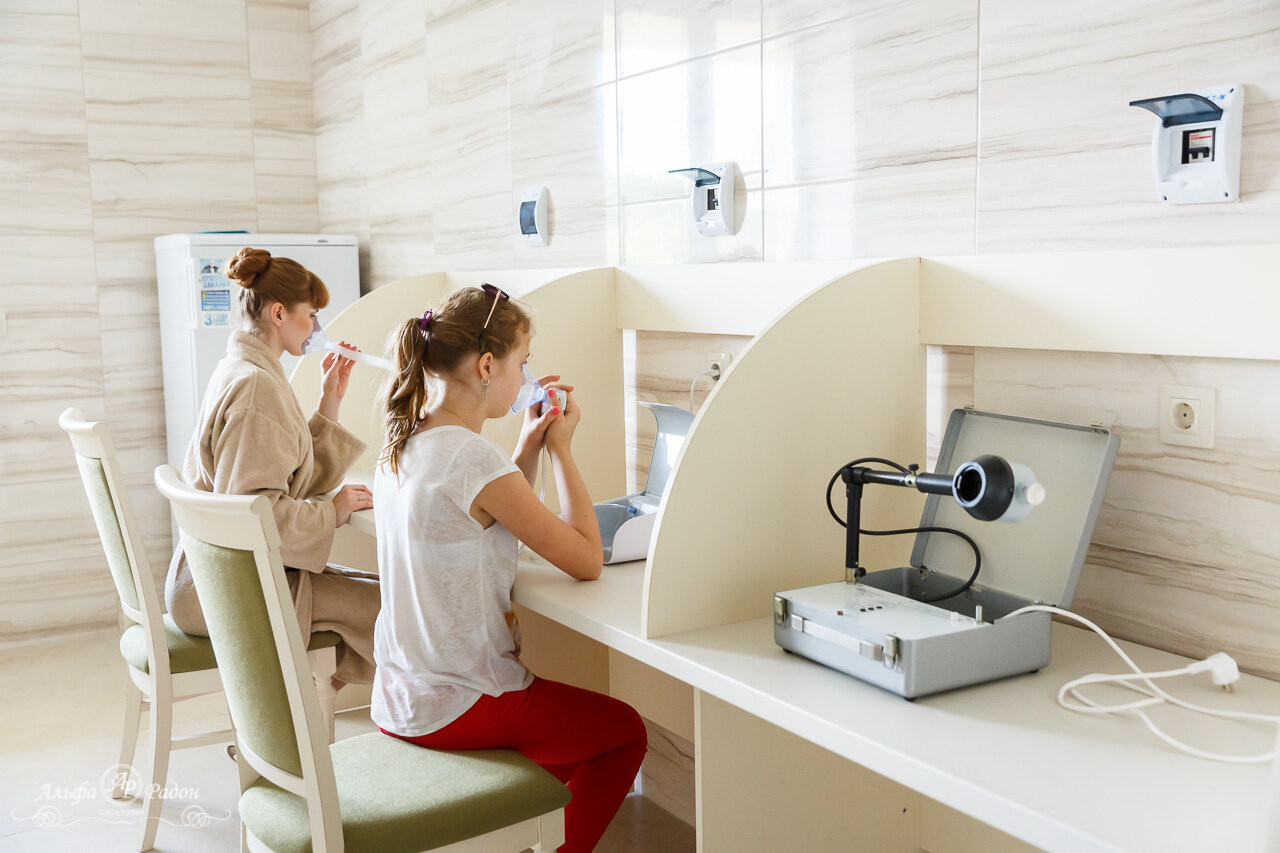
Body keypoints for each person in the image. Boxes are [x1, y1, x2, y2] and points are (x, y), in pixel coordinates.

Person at [372, 285, 646, 853]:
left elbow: (485, 507)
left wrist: (526, 447)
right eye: (523, 362)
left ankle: (526, 833)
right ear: (486, 366)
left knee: (566, 745)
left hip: (401, 695)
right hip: (458, 702)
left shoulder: (404, 441)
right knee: (623, 733)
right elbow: (587, 561)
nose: (527, 377)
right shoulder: (473, 457)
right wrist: (562, 450)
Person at [164, 247, 379, 691]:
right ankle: (306, 719)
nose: (317, 327)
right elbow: (253, 513)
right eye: (312, 315)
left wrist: (330, 400)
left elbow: (284, 479)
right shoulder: (256, 387)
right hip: (225, 591)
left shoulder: (241, 369)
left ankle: (308, 711)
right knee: (390, 607)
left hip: (213, 576)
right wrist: (331, 512)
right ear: (279, 313)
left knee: (380, 591)